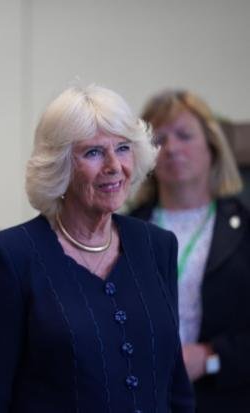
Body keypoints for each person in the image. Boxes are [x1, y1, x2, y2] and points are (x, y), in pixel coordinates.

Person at [0, 84, 194, 412]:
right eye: (94, 152)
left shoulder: (157, 246)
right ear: (60, 165)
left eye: (123, 148)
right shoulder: (11, 257)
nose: (114, 165)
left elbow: (176, 387)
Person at [130, 90, 250, 412]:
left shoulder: (245, 228)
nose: (171, 148)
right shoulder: (121, 231)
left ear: (212, 148)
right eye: (159, 140)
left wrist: (212, 356)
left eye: (184, 136)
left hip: (226, 397)